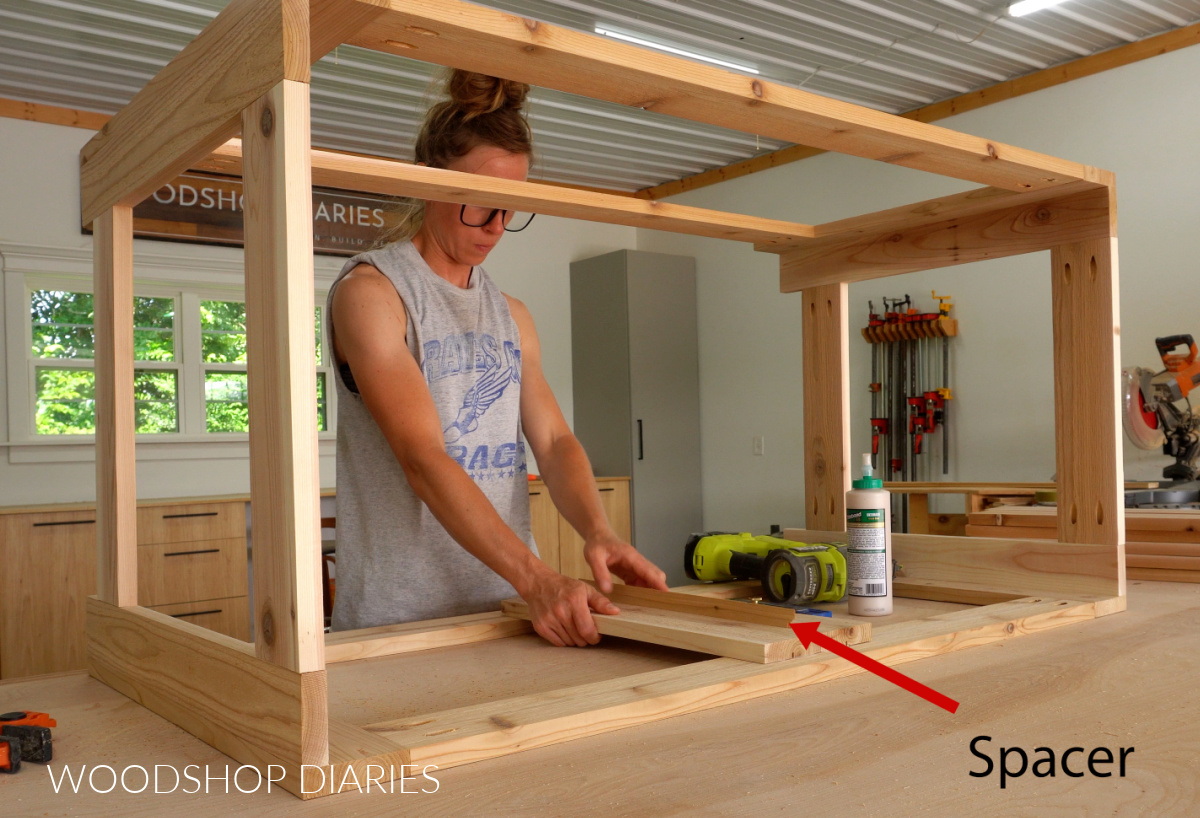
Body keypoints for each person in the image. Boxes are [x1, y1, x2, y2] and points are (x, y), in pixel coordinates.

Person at [326, 69, 669, 647]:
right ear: (430, 182)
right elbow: (422, 457)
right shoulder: (373, 294)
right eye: (479, 205)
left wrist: (598, 530)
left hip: (508, 608)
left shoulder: (512, 315)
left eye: (510, 208)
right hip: (401, 619)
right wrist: (539, 577)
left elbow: (556, 442)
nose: (496, 227)